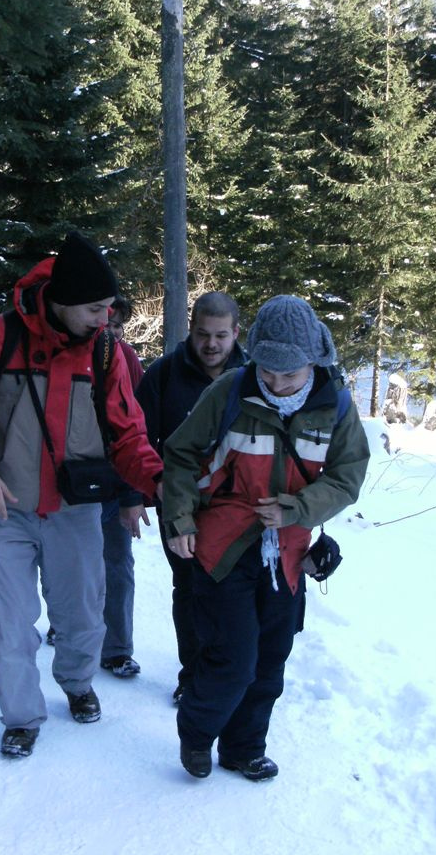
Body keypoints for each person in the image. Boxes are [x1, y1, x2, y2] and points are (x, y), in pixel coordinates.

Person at [0, 232, 163, 759]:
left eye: (109, 308)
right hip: (4, 510)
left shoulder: (108, 352)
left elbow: (129, 435)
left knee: (83, 615)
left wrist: (160, 484)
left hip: (76, 511)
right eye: (94, 308)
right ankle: (20, 717)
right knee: (7, 624)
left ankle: (78, 683)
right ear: (61, 301)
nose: (103, 318)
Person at [162, 295, 370, 781]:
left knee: (269, 663)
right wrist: (180, 520)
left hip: (289, 556)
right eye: (268, 373)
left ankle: (243, 749)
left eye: (289, 376)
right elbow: (180, 455)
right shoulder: (231, 391)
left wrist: (298, 509)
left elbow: (347, 478)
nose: (276, 384)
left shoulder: (334, 405)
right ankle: (196, 735)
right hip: (223, 549)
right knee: (232, 659)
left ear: (313, 363)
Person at [135, 291, 247, 702]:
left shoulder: (255, 375)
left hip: (238, 506)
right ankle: (193, 676)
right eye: (203, 334)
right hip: (179, 501)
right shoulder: (164, 374)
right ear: (191, 330)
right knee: (189, 588)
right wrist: (135, 495)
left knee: (234, 591)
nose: (211, 344)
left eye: (221, 335)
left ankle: (232, 673)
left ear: (236, 333)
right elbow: (137, 438)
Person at [98, 296, 147, 678]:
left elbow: (138, 428)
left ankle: (116, 648)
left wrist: (134, 493)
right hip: (70, 483)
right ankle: (68, 625)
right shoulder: (70, 355)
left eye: (118, 327)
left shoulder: (128, 360)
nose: (112, 333)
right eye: (106, 324)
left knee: (117, 563)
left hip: (116, 481)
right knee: (71, 564)